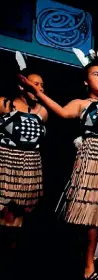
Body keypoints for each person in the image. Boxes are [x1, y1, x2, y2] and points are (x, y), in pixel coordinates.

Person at [18, 50, 98, 279]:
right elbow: (62, 112)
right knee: (92, 215)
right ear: (87, 81)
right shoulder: (82, 103)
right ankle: (89, 265)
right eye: (97, 74)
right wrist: (37, 92)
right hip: (93, 157)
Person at [0, 68, 48, 251]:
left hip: (30, 163)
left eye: (42, 86)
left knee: (19, 212)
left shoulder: (42, 112)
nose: (40, 89)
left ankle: (12, 256)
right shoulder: (4, 104)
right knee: (3, 211)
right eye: (36, 84)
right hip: (5, 161)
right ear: (22, 85)